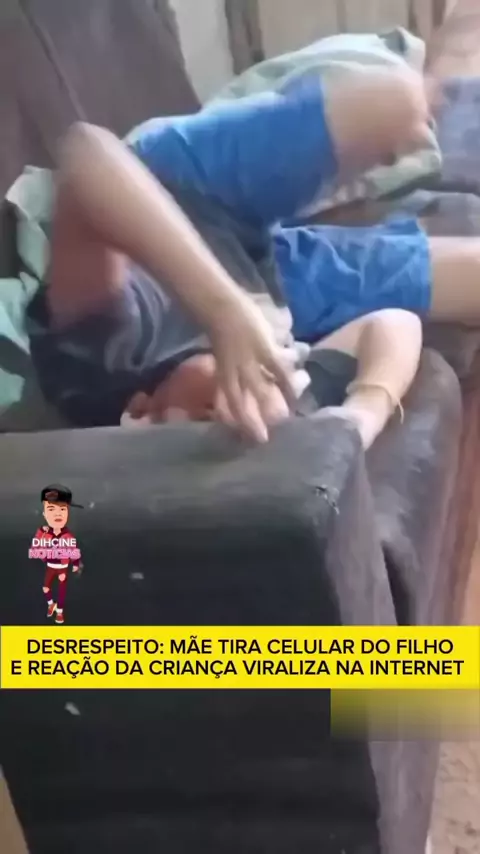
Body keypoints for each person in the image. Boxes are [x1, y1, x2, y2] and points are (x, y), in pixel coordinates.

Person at [26, 66, 461, 446]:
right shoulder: (286, 399)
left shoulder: (107, 364)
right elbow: (393, 323)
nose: (239, 409)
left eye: (208, 416)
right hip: (271, 283)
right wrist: (361, 416)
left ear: (141, 411)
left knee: (397, 105)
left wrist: (225, 314)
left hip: (176, 194)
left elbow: (85, 153)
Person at [29, 485, 84, 625]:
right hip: (50, 566)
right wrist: (42, 536)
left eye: (62, 510)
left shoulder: (67, 536)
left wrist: (76, 563)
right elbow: (36, 547)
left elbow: (73, 550)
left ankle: (59, 612)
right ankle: (51, 604)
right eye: (51, 509)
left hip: (62, 567)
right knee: (46, 587)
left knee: (61, 590)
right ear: (45, 513)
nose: (57, 514)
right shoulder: (44, 533)